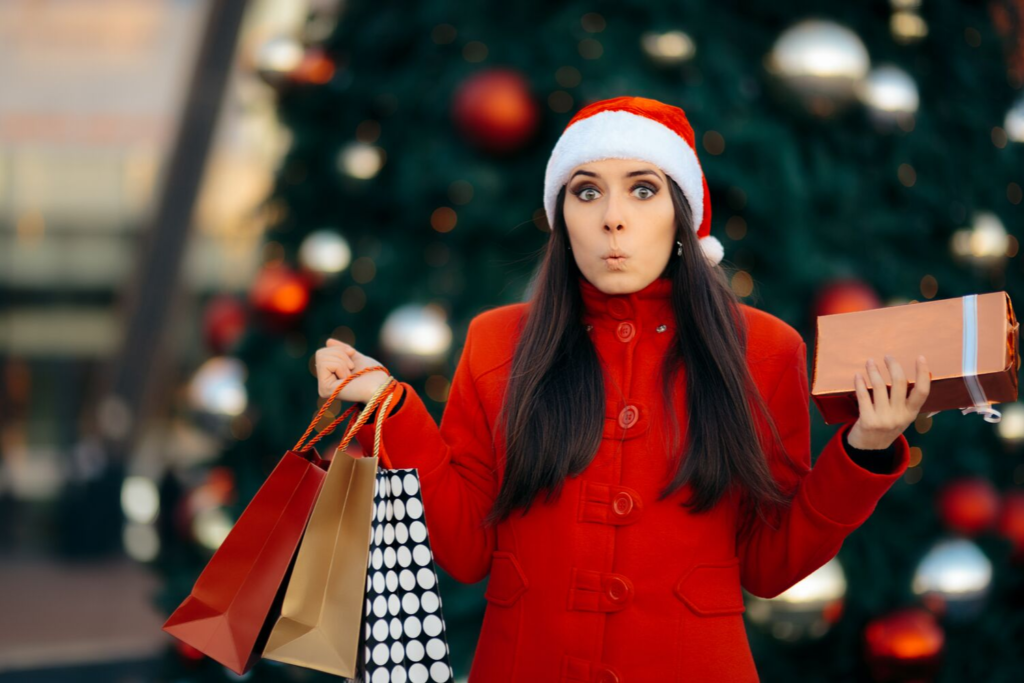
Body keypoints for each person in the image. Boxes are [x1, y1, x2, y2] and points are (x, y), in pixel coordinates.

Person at [314, 96, 931, 683]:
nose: (613, 216)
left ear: (682, 214)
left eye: (643, 189)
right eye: (587, 191)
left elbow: (769, 565)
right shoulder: (497, 342)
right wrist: (390, 408)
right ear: (563, 219)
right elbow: (470, 550)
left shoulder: (765, 351)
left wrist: (864, 451)